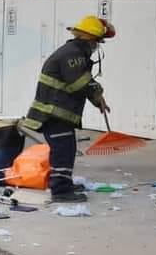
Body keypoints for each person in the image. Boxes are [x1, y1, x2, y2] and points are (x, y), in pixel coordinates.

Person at [20, 15, 115, 204]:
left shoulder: (74, 53)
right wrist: (97, 94)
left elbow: (81, 81)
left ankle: (63, 183)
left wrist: (97, 99)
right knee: (63, 150)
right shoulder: (73, 55)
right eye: (97, 41)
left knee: (66, 149)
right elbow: (80, 82)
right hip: (52, 114)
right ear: (89, 38)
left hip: (56, 113)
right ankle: (61, 191)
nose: (97, 46)